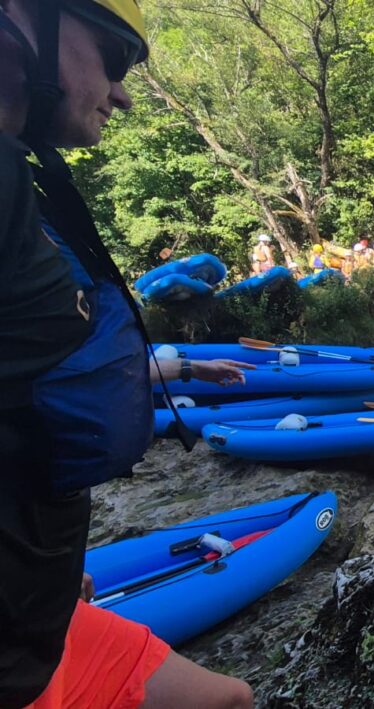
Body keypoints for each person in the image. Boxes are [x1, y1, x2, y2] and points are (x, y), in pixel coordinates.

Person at [0, 1, 254, 705]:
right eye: (113, 57)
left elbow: (32, 383)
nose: (122, 91)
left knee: (228, 699)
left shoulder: (23, 183)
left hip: (40, 614)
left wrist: (53, 567)